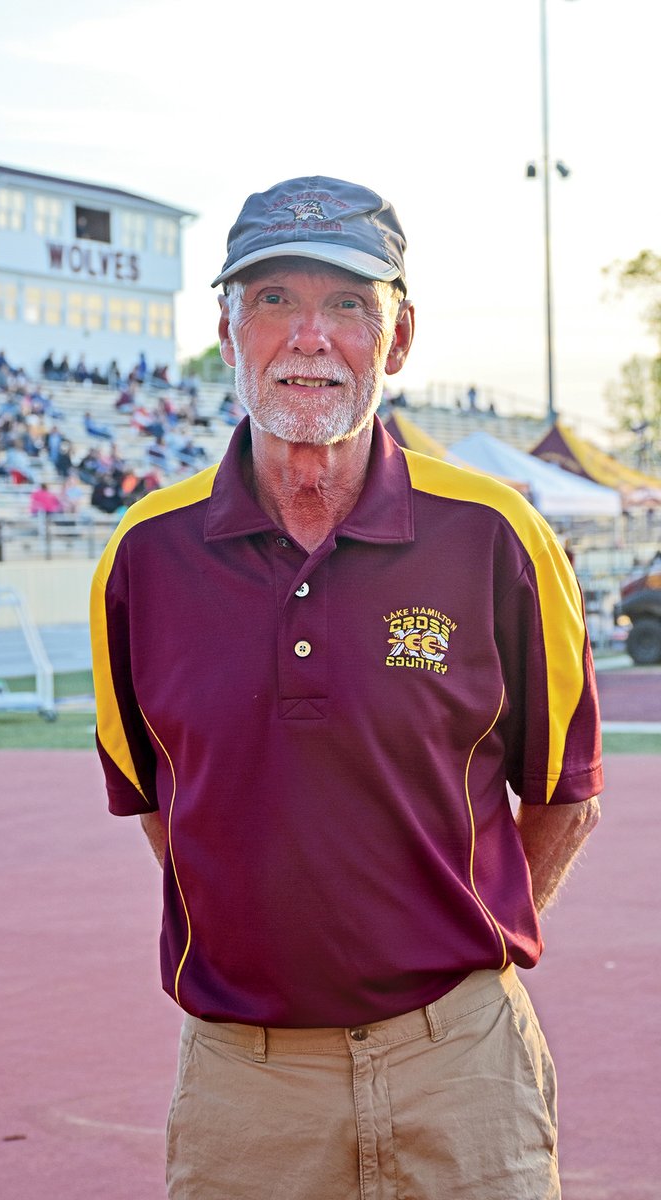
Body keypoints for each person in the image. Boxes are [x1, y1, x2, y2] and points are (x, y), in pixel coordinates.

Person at [90, 176, 603, 1200]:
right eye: (273, 299)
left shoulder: (496, 534)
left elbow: (563, 794)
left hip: (460, 1062)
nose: (308, 336)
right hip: (246, 1085)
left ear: (398, 336)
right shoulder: (142, 556)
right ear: (226, 332)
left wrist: (456, 955)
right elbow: (162, 805)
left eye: (348, 305)